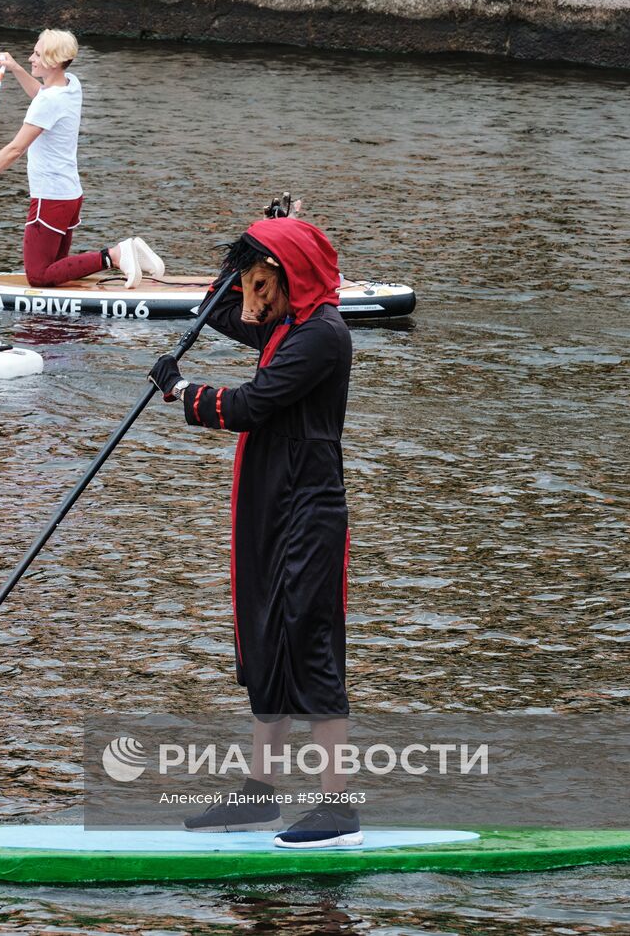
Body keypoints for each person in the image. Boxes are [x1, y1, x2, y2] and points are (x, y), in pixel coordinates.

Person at [147, 215, 359, 849]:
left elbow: (252, 403)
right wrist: (235, 263)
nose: (252, 299)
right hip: (268, 502)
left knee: (309, 643)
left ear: (289, 279)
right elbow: (229, 315)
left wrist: (182, 390)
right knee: (265, 640)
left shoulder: (322, 334)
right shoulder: (288, 321)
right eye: (248, 283)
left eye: (261, 283)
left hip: (308, 508)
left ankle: (338, 807)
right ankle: (259, 795)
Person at [0, 29, 165, 289]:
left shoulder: (49, 101)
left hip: (50, 198)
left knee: (39, 276)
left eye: (37, 54)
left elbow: (15, 149)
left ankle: (115, 254)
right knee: (56, 270)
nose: (31, 58)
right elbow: (41, 95)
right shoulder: (70, 84)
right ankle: (131, 251)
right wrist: (16, 68)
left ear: (52, 61)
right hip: (70, 196)